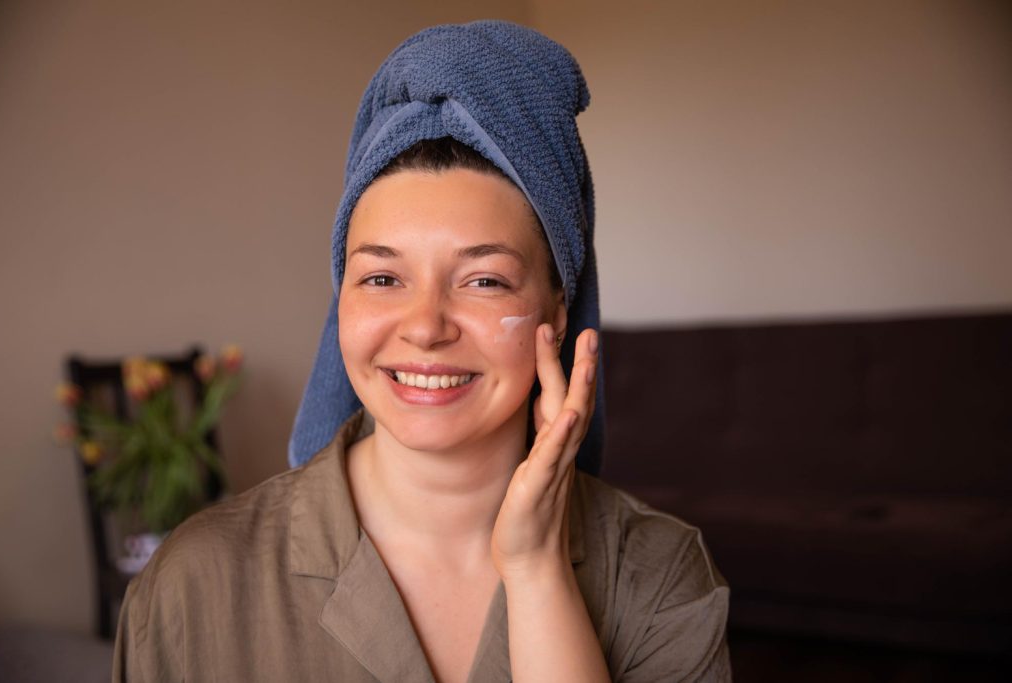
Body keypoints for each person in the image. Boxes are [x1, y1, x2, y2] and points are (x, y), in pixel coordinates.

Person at [112, 20, 731, 683]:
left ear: (557, 307)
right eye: (382, 277)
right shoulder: (196, 585)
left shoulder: (660, 577)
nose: (426, 326)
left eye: (484, 280)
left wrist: (536, 567)